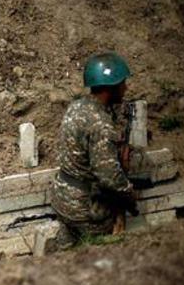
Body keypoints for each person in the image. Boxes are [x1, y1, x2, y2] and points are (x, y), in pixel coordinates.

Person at [51, 52, 138, 238]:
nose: (126, 88)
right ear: (110, 87)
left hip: (62, 198)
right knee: (98, 256)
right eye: (122, 83)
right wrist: (131, 196)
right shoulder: (101, 125)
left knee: (64, 257)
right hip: (84, 209)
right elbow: (109, 177)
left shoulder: (76, 107)